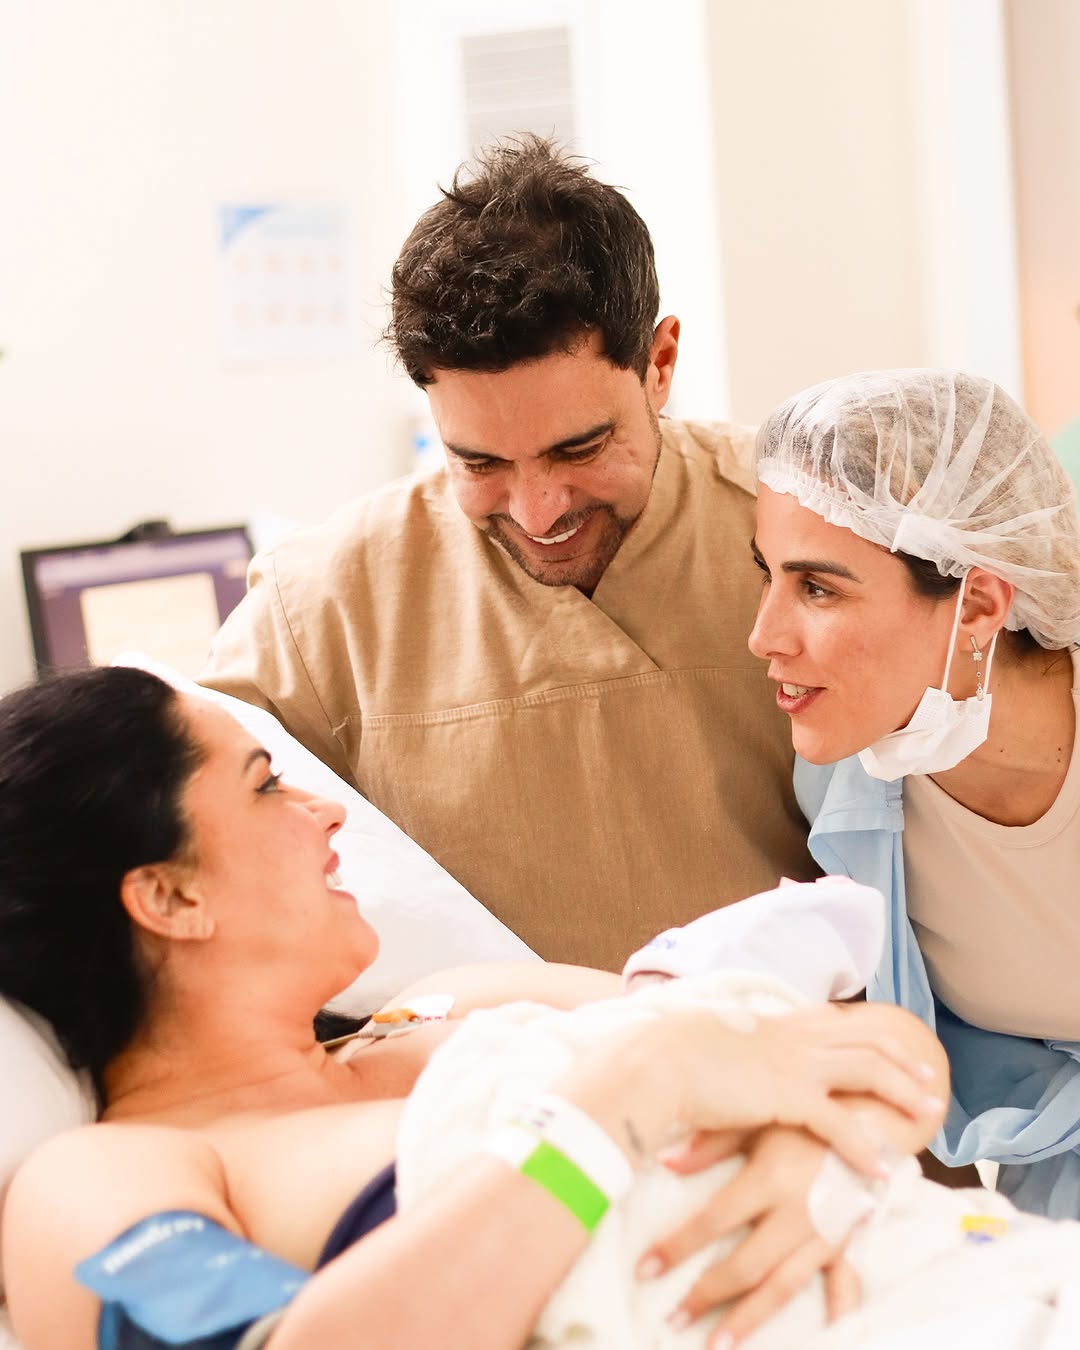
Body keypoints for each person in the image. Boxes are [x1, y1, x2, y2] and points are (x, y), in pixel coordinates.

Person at [0, 667, 946, 1350]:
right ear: (168, 897)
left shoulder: (452, 1006)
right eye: (266, 786)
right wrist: (620, 1103)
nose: (326, 811)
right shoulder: (100, 1178)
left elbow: (883, 1046)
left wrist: (808, 1141)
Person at [199, 136, 813, 971]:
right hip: (490, 1086)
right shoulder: (326, 604)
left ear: (660, 363)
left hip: (802, 1064)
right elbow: (172, 840)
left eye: (579, 448)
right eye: (479, 463)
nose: (538, 511)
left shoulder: (806, 534)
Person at [747, 367, 1080, 1218]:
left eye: (817, 587)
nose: (764, 636)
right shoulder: (847, 781)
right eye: (769, 576)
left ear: (979, 606)